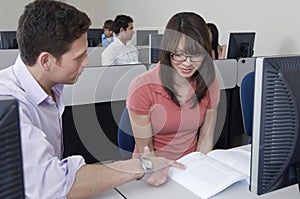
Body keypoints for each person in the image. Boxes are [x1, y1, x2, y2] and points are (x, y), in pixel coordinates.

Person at [0, 1, 185, 198]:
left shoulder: (50, 87)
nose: (87, 62)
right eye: (79, 57)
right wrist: (142, 166)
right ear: (46, 61)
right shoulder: (9, 102)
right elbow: (53, 184)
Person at [126, 12, 220, 160]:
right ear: (167, 51)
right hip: (151, 168)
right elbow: (146, 151)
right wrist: (160, 173)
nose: (188, 63)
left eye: (196, 54)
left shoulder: (210, 83)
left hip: (189, 166)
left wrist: (199, 169)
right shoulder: (142, 87)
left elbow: (205, 140)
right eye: (179, 54)